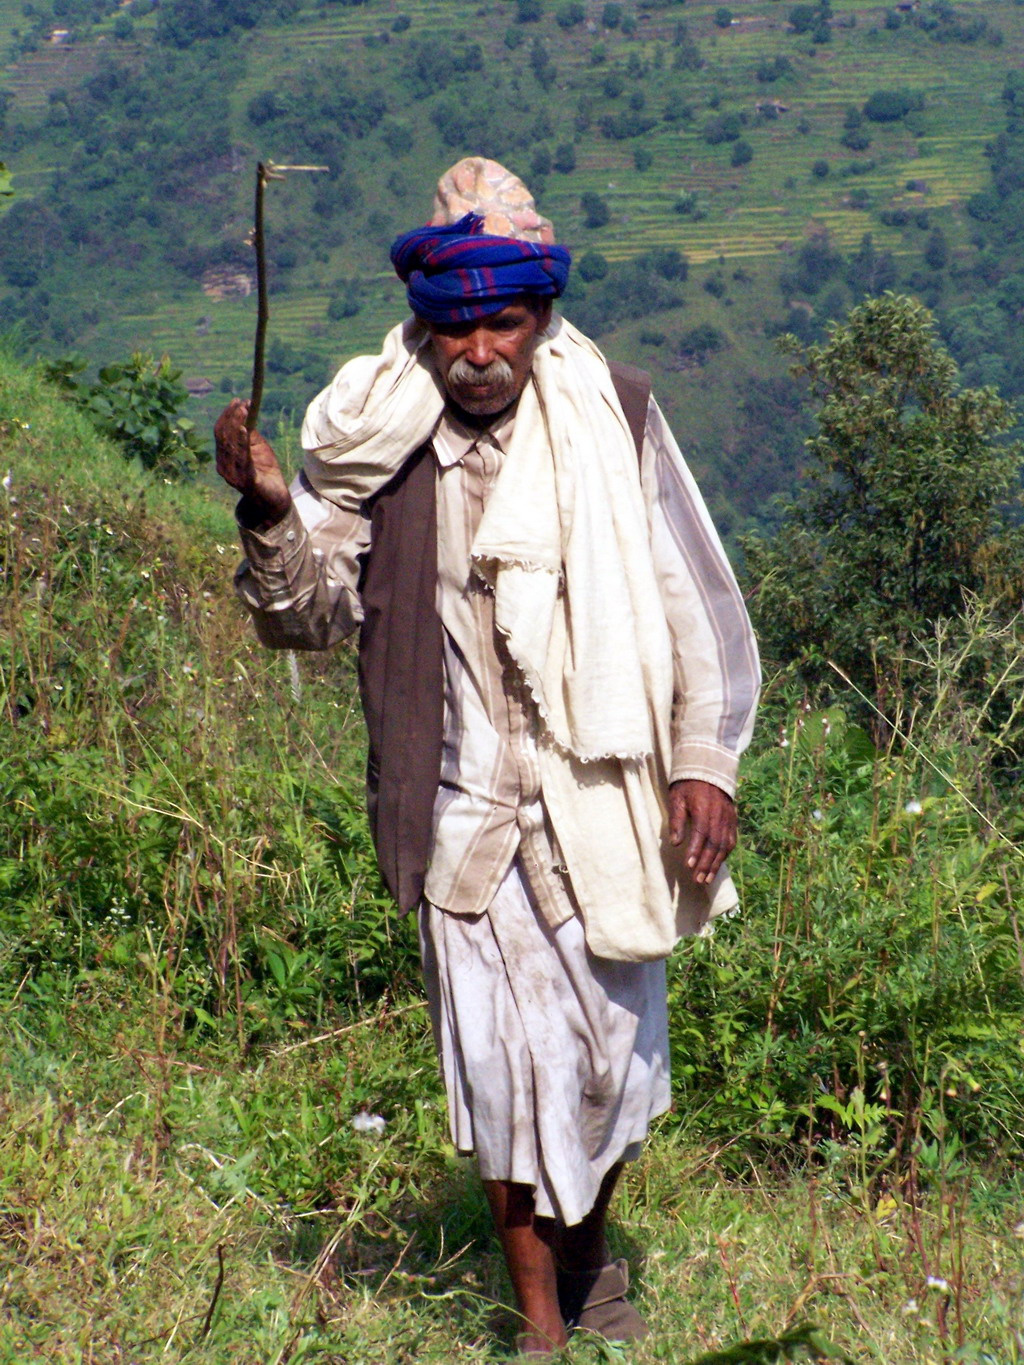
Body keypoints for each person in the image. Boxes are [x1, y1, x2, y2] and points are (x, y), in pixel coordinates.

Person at [215, 157, 759, 1358]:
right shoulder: (373, 444)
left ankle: (587, 1251)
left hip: (599, 806)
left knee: (610, 1077)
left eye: (499, 319)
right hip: (461, 814)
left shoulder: (612, 412)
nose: (475, 346)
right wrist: (266, 510)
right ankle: (539, 1326)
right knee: (509, 1087)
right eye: (453, 321)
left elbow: (695, 599)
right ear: (424, 321)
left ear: (539, 318)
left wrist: (704, 760)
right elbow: (306, 617)